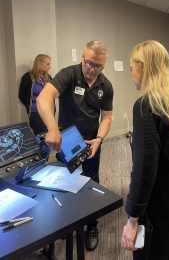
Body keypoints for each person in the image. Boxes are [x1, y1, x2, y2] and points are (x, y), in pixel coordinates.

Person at [37, 40, 113, 251]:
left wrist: (99, 139)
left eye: (97, 66)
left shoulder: (105, 85)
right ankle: (67, 222)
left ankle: (91, 226)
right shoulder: (68, 74)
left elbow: (106, 117)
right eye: (88, 63)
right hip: (67, 139)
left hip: (91, 141)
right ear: (83, 58)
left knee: (91, 182)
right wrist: (52, 128)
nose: (91, 69)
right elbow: (44, 98)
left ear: (103, 66)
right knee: (66, 181)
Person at [121, 40, 169, 260]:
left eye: (132, 67)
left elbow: (144, 171)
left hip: (155, 209)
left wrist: (133, 219)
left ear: (143, 67)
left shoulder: (145, 106)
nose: (131, 73)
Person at [18, 54, 52, 135]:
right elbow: (21, 95)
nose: (50, 66)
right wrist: (31, 105)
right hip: (35, 113)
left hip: (48, 112)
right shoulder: (28, 77)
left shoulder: (48, 77)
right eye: (47, 64)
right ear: (39, 64)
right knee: (40, 136)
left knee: (49, 135)